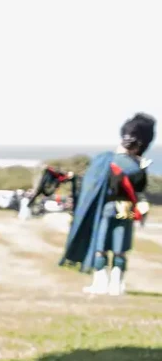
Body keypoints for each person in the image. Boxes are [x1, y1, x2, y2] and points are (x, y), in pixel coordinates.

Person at [61, 113, 154, 295]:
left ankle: (101, 283)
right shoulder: (138, 166)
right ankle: (116, 285)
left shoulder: (108, 160)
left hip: (107, 208)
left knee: (101, 246)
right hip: (126, 208)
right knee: (120, 249)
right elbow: (140, 188)